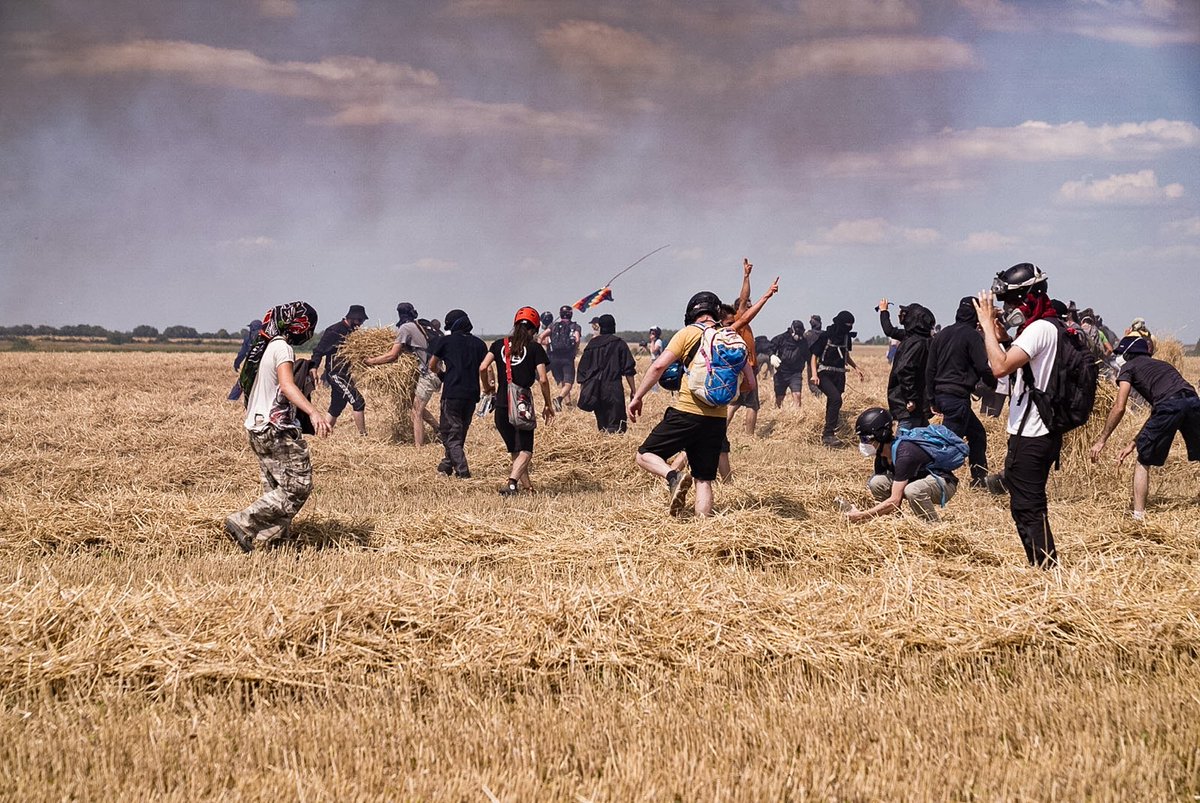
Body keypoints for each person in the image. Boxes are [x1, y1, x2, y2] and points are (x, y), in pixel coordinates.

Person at [629, 291, 757, 517]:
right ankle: (703, 532)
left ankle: (673, 477)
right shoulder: (728, 335)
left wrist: (637, 396)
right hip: (717, 419)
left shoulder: (688, 333)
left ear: (691, 313)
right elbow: (751, 382)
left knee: (644, 454)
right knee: (704, 479)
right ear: (716, 312)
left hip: (687, 412)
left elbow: (658, 367)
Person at [973, 262, 1062, 568]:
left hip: (1033, 433)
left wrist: (987, 327)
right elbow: (1023, 364)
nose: (1007, 307)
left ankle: (1047, 570)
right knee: (1027, 502)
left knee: (1027, 507)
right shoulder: (1045, 326)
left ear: (1030, 296)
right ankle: (1044, 565)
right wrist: (1003, 337)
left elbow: (1000, 367)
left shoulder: (1039, 328)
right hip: (1038, 431)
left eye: (1011, 300)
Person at [224, 302, 332, 552]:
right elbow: (286, 385)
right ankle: (243, 521)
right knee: (297, 487)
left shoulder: (264, 348)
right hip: (276, 429)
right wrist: (313, 413)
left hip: (257, 427)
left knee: (275, 488)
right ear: (298, 325)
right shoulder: (282, 347)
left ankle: (271, 544)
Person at [1089, 335, 1200, 521]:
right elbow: (1159, 411)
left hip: (1169, 405)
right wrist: (1133, 443)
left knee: (1143, 461)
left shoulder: (1128, 367)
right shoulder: (1164, 366)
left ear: (1127, 353)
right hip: (1193, 400)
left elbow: (1120, 406)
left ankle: (1138, 517)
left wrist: (1102, 440)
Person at [480, 306, 555, 495]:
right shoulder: (535, 348)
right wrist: (548, 403)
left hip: (501, 406)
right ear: (534, 329)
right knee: (526, 450)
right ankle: (512, 483)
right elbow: (543, 379)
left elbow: (482, 367)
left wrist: (488, 388)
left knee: (516, 450)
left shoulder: (499, 344)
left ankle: (528, 488)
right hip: (521, 404)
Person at [926, 297, 996, 487]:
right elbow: (982, 366)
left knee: (977, 434)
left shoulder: (941, 334)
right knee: (948, 444)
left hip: (941, 396)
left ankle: (979, 480)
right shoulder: (972, 336)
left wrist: (932, 399)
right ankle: (934, 481)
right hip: (957, 397)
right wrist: (993, 382)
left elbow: (930, 369)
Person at [844, 407, 959, 523]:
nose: (862, 444)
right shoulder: (882, 456)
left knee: (913, 490)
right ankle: (894, 523)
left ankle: (932, 527)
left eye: (865, 439)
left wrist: (862, 516)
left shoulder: (905, 454)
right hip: (915, 480)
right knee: (876, 482)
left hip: (943, 483)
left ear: (880, 435)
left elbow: (895, 501)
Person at [365, 302, 439, 446]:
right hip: (435, 371)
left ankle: (418, 448)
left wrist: (371, 361)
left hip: (428, 373)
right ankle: (439, 429)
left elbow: (392, 355)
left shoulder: (405, 328)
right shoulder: (418, 325)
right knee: (415, 403)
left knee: (416, 411)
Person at [428, 309, 488, 479]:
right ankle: (446, 466)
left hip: (452, 393)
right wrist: (488, 389)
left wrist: (443, 376)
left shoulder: (445, 341)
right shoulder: (480, 344)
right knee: (459, 432)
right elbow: (486, 369)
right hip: (472, 394)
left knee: (449, 434)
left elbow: (432, 365)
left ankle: (463, 472)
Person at [310, 304, 369, 436]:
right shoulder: (334, 331)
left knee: (337, 406)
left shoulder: (353, 333)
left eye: (362, 321)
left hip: (345, 373)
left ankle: (322, 436)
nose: (360, 324)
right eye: (359, 320)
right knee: (358, 401)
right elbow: (319, 350)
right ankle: (363, 437)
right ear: (352, 318)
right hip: (336, 373)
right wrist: (313, 367)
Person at [809, 310, 865, 447]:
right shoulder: (826, 336)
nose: (849, 328)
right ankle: (828, 434)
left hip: (840, 374)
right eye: (847, 325)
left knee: (833, 402)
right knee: (835, 399)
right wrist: (814, 374)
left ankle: (829, 432)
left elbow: (845, 354)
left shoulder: (846, 337)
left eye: (852, 325)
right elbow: (814, 356)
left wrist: (856, 368)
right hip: (824, 373)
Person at [879, 299, 935, 431]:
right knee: (915, 433)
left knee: (906, 437)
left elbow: (905, 370)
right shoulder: (919, 339)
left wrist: (910, 398)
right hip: (912, 401)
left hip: (909, 402)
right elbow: (889, 330)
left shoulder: (915, 341)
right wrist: (884, 312)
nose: (902, 316)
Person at [576, 313, 637, 433]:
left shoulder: (591, 345)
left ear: (601, 326)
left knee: (602, 423)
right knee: (617, 425)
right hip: (613, 388)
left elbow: (582, 372)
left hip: (595, 390)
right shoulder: (620, 344)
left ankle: (604, 446)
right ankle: (614, 448)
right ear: (613, 326)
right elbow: (629, 369)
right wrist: (634, 391)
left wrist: (584, 391)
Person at [546, 305, 582, 410]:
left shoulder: (553, 326)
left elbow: (542, 337)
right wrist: (575, 350)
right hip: (567, 358)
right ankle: (559, 399)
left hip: (554, 358)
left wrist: (548, 348)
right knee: (569, 383)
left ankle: (568, 403)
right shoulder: (575, 326)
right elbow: (577, 339)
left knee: (562, 381)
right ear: (571, 314)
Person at [770, 321, 809, 410]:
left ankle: (797, 414)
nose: (798, 337)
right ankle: (778, 411)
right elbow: (770, 347)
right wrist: (771, 355)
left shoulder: (803, 341)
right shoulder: (781, 338)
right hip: (782, 372)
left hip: (796, 373)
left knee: (797, 394)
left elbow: (808, 356)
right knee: (780, 396)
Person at [227, 318, 263, 401]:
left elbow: (242, 353)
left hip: (251, 365)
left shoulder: (249, 338)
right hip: (264, 364)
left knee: (242, 382)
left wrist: (236, 364)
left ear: (252, 328)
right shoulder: (266, 337)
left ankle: (232, 400)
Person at [803, 314, 824, 394]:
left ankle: (819, 395)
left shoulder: (807, 334)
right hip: (824, 361)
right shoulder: (825, 334)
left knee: (812, 384)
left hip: (811, 362)